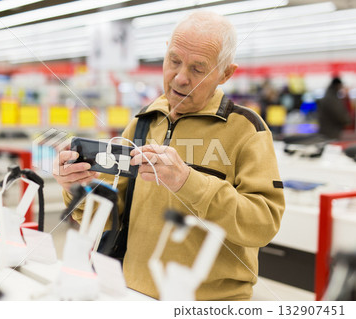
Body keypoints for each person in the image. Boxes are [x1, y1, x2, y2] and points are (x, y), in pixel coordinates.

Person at [53, 11, 285, 301]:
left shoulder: (247, 130)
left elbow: (263, 225)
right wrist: (76, 187)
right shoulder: (143, 122)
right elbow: (111, 215)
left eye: (198, 69)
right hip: (130, 293)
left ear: (225, 73)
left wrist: (188, 181)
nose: (180, 77)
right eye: (174, 61)